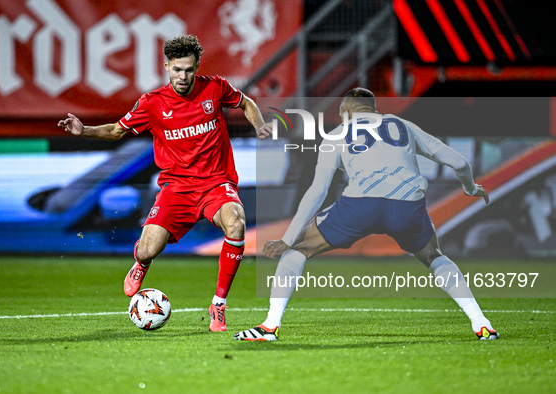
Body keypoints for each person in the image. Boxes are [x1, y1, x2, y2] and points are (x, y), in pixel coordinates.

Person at [234, 88, 499, 341]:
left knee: (298, 249)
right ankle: (481, 323)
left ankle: (270, 325)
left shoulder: (338, 132)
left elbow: (318, 190)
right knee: (434, 256)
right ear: (373, 110)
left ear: (345, 111)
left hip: (360, 206)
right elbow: (459, 162)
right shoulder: (402, 125)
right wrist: (470, 188)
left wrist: (288, 238)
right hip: (407, 207)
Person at [58, 34, 272, 332]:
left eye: (188, 69)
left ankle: (219, 304)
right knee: (147, 249)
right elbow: (117, 131)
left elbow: (246, 103)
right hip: (177, 189)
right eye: (177, 69)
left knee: (236, 225)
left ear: (197, 67)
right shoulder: (153, 103)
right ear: (166, 66)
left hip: (215, 183)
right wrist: (84, 131)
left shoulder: (215, 88)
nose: (183, 76)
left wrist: (259, 125)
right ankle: (141, 265)